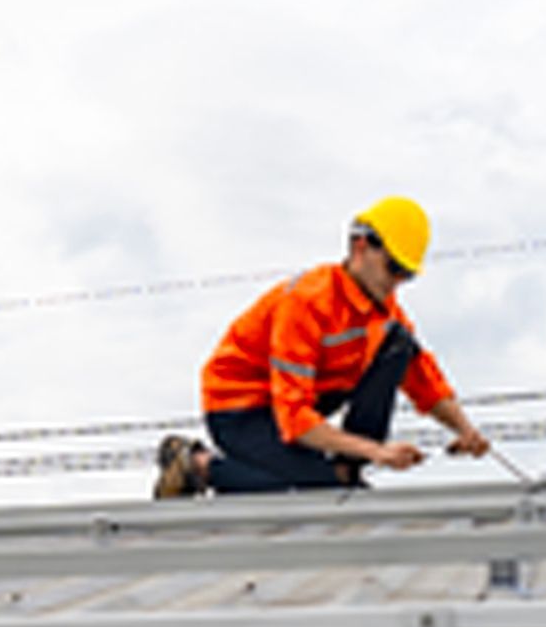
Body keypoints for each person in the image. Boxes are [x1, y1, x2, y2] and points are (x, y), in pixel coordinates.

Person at [154, 197, 488, 496]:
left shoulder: (385, 313)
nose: (397, 282)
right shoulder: (307, 303)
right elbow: (295, 419)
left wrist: (465, 430)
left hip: (295, 403)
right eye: (394, 268)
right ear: (360, 248)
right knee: (307, 492)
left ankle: (345, 470)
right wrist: (376, 452)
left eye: (407, 276)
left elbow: (423, 380)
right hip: (240, 410)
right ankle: (197, 464)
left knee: (399, 344)